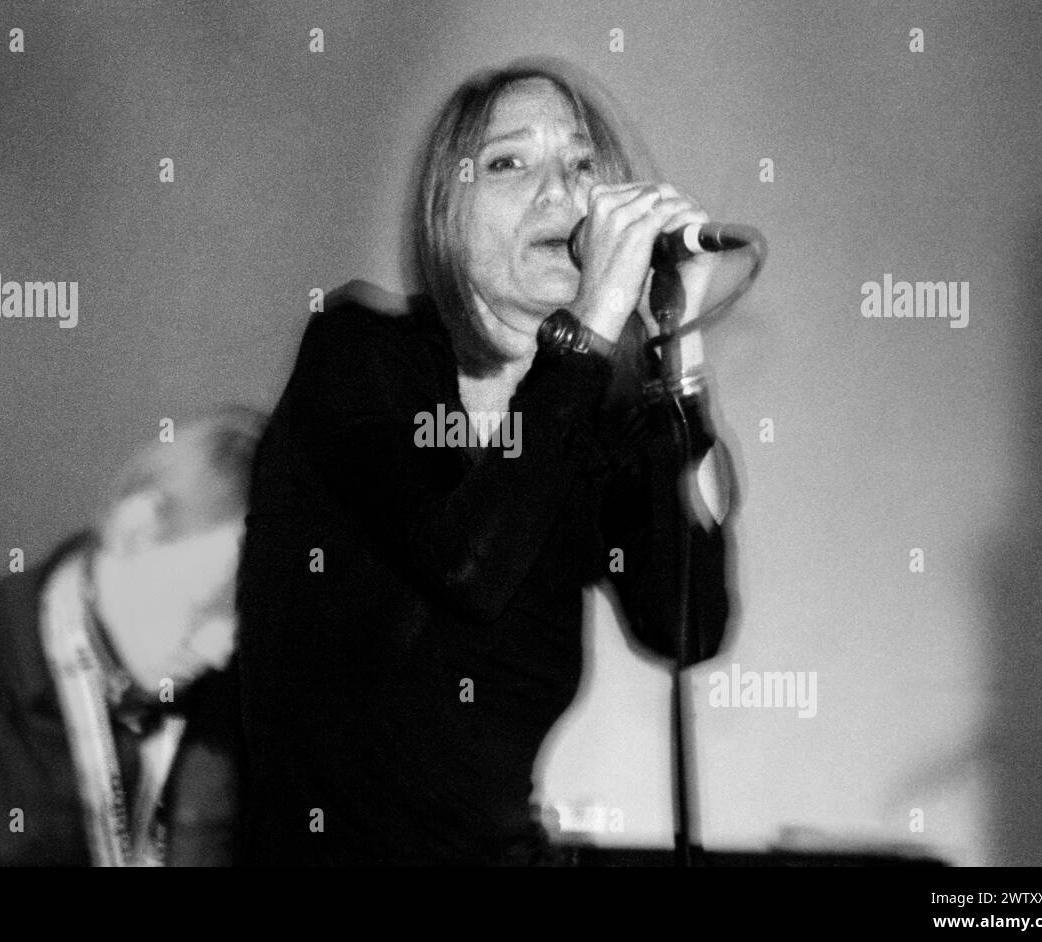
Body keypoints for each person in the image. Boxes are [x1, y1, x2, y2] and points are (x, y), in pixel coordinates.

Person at [236, 58, 735, 865]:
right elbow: (468, 563)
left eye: (579, 166)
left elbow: (687, 624)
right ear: (446, 204)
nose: (558, 194)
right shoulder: (361, 358)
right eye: (509, 164)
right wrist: (595, 319)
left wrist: (676, 348)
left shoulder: (588, 421)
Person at [0, 405, 265, 866]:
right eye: (207, 606)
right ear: (136, 529)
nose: (223, 652)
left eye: (252, 619)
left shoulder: (253, 678)